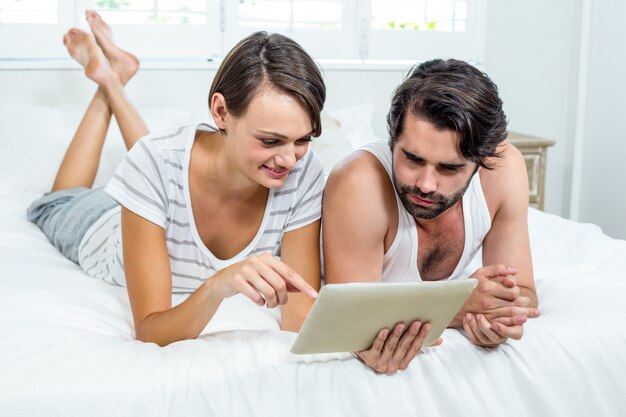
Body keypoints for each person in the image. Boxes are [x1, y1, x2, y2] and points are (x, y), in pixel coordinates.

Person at [27, 11, 326, 346]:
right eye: (270, 141)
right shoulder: (154, 161)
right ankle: (109, 83)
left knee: (155, 162)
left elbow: (301, 314)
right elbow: (152, 331)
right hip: (103, 228)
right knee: (58, 199)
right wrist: (217, 285)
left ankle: (113, 78)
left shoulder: (304, 171)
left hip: (153, 198)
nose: (289, 159)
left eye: (302, 140)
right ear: (221, 112)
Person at [322, 59, 540, 374]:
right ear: (393, 139)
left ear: (482, 160)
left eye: (449, 168)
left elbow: (525, 294)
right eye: (412, 158)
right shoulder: (359, 181)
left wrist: (499, 317)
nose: (425, 184)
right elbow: (352, 318)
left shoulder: (504, 169)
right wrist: (460, 308)